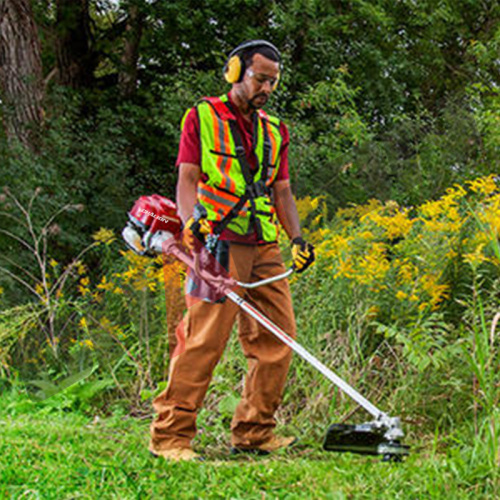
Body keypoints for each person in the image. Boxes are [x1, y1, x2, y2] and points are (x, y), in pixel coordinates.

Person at [150, 40, 315, 462]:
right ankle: (170, 437)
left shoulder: (275, 130)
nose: (267, 88)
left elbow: (282, 191)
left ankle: (254, 432)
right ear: (235, 71)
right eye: (260, 79)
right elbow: (187, 179)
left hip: (264, 245)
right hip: (217, 244)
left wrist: (296, 239)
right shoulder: (202, 116)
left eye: (273, 82)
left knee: (278, 337)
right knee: (204, 340)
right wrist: (190, 223)